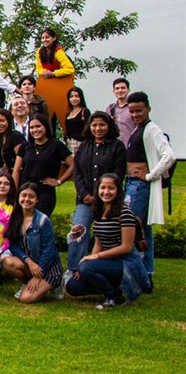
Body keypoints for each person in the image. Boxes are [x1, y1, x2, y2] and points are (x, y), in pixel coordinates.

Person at [66, 174, 149, 308]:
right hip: (108, 263)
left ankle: (115, 297)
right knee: (73, 287)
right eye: (102, 188)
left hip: (125, 262)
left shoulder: (125, 213)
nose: (106, 192)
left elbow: (126, 247)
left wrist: (94, 259)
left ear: (118, 191)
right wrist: (89, 263)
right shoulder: (99, 211)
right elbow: (98, 244)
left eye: (111, 188)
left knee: (86, 268)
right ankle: (112, 287)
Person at [124, 91, 175, 279]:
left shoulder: (152, 129)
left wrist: (150, 175)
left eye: (139, 110)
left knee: (133, 227)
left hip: (139, 186)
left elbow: (168, 156)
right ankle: (146, 272)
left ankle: (136, 273)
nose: (136, 114)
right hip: (133, 183)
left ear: (148, 109)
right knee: (144, 229)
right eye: (132, 111)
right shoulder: (139, 128)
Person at [69, 111, 127, 273]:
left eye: (102, 124)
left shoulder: (117, 146)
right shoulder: (84, 146)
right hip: (85, 200)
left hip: (109, 202)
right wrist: (85, 195)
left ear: (109, 126)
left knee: (110, 235)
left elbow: (118, 175)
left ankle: (107, 270)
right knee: (78, 232)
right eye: (94, 125)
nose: (98, 128)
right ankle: (73, 270)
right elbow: (77, 173)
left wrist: (102, 197)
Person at [0, 183, 63, 303]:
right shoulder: (15, 217)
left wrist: (38, 275)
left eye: (31, 196)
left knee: (26, 299)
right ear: (18, 197)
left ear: (37, 199)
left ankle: (56, 284)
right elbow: (13, 245)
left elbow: (48, 251)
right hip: (31, 264)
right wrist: (27, 261)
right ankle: (29, 284)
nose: (27, 199)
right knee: (6, 262)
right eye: (24, 195)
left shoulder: (43, 220)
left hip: (48, 268)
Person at [13, 114, 73, 216]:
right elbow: (17, 170)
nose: (35, 130)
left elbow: (73, 165)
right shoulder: (25, 146)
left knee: (38, 223)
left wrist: (59, 181)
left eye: (38, 126)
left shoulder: (56, 145)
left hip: (44, 192)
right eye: (32, 127)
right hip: (24, 189)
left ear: (45, 126)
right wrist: (14, 192)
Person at [0, 109, 25, 179]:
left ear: (9, 121)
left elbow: (22, 161)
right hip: (6, 175)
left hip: (19, 175)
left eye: (2, 121)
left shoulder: (16, 136)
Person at [105, 78, 135, 147]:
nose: (120, 90)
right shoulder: (110, 108)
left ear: (128, 90)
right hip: (114, 148)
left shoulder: (133, 108)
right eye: (117, 88)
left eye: (123, 88)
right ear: (113, 91)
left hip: (130, 146)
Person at [63, 86, 90, 153]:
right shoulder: (68, 113)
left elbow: (88, 129)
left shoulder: (85, 111)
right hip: (69, 145)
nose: (74, 99)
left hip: (82, 145)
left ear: (81, 97)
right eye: (71, 96)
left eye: (76, 96)